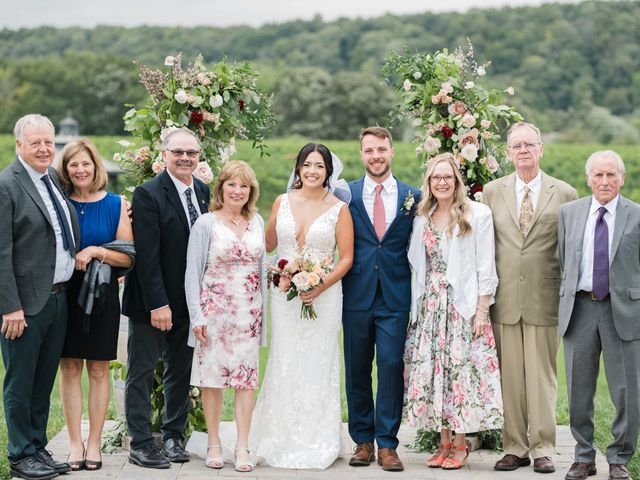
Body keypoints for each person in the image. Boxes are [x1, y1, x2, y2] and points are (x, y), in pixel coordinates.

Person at [250, 143, 354, 469]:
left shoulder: (339, 209)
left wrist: (319, 284)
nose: (312, 171)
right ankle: (278, 436)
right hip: (284, 297)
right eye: (307, 164)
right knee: (284, 359)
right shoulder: (281, 202)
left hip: (325, 297)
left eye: (319, 166)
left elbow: (347, 258)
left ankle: (318, 439)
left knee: (318, 363)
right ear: (298, 168)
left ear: (328, 172)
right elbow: (266, 244)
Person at [483, 121, 577, 474]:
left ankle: (542, 448)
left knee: (542, 377)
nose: (523, 151)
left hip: (544, 296)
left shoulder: (565, 193)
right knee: (510, 378)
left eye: (529, 145)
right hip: (504, 297)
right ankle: (515, 447)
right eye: (516, 146)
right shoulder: (492, 191)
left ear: (541, 149)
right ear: (508, 153)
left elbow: (571, 250)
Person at [404, 153, 503, 469]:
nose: (442, 182)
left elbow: (486, 263)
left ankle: (461, 445)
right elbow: (418, 266)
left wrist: (482, 309)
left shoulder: (477, 214)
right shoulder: (423, 217)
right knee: (437, 373)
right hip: (432, 304)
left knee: (460, 373)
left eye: (447, 177)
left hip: (462, 303)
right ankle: (443, 443)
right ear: (429, 183)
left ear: (456, 181)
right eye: (436, 178)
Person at [122, 127, 210, 469]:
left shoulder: (203, 192)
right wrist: (159, 304)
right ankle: (142, 442)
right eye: (178, 152)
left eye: (191, 153)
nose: (185, 158)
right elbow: (146, 254)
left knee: (180, 372)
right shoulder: (148, 194)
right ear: (165, 155)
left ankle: (173, 435)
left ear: (198, 156)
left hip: (189, 302)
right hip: (152, 303)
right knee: (142, 372)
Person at [0, 114, 79, 480]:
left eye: (49, 142)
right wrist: (10, 307)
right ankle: (19, 454)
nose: (45, 148)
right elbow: (1, 252)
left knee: (43, 380)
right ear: (20, 145)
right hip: (23, 306)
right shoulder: (7, 185)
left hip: (57, 299)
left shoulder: (53, 181)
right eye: (36, 143)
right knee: (21, 382)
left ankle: (36, 446)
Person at [342, 126, 421, 472]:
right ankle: (363, 441)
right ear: (361, 155)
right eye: (369, 150)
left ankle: (388, 444)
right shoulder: (347, 194)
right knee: (357, 368)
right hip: (356, 293)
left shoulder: (414, 197)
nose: (376, 156)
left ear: (392, 151)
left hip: (394, 295)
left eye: (381, 149)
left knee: (391, 367)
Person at [558, 150, 639, 480]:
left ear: (622, 178)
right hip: (580, 308)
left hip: (624, 311)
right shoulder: (569, 213)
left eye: (611, 175)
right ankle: (583, 456)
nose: (604, 181)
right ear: (588, 178)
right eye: (598, 175)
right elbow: (563, 259)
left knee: (627, 391)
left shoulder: (636, 215)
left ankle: (619, 458)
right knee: (578, 389)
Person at [56, 138, 134, 471]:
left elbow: (128, 257)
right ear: (66, 169)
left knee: (100, 369)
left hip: (102, 294)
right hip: (64, 293)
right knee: (70, 367)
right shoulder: (58, 202)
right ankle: (75, 442)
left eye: (85, 163)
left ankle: (95, 443)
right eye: (73, 164)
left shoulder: (116, 204)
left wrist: (95, 252)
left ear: (95, 166)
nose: (80, 169)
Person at [184, 160, 266, 473]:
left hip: (249, 312)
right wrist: (197, 316)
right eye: (231, 184)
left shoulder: (257, 221)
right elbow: (192, 273)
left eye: (244, 185)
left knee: (246, 381)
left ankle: (242, 444)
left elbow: (260, 266)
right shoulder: (206, 224)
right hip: (214, 313)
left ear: (251, 191)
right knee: (213, 379)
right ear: (221, 188)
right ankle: (214, 442)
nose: (237, 191)